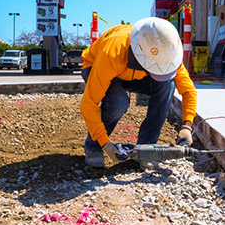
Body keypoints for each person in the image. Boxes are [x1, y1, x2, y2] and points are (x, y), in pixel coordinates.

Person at [80, 17, 197, 168]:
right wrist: (104, 143)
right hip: (97, 65)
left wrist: (187, 126)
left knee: (167, 84)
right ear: (142, 58)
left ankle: (146, 149)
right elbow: (89, 104)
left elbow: (188, 91)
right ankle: (93, 146)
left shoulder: (166, 52)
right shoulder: (112, 53)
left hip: (136, 71)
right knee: (118, 103)